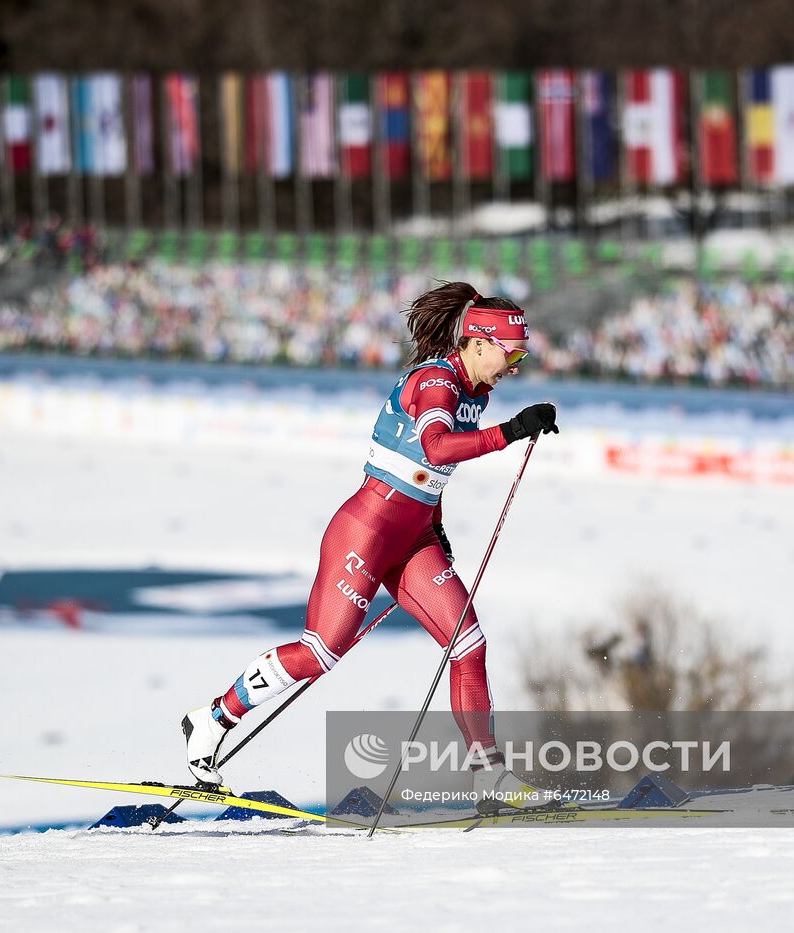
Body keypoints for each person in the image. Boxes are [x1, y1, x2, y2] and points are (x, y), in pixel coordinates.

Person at [182, 281, 558, 812]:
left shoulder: (476, 393)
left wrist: (438, 526)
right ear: (478, 342)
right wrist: (512, 431)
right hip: (367, 530)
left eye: (521, 355)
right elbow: (436, 445)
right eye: (511, 352)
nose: (515, 366)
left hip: (414, 536)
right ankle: (214, 717)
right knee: (320, 653)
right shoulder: (437, 383)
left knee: (468, 644)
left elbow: (434, 470)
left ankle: (488, 778)